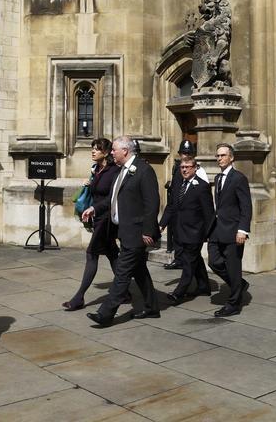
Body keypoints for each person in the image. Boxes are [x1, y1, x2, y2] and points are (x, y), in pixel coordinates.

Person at [87, 136, 160, 327]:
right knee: (139, 270)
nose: (112, 152)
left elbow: (152, 204)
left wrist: (148, 231)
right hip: (124, 230)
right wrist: (95, 208)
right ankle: (152, 307)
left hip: (136, 233)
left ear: (125, 151)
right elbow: (112, 199)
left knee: (122, 273)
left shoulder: (144, 171)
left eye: (114, 150)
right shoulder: (121, 171)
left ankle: (106, 313)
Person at [62, 138, 121, 311]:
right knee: (112, 253)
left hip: (107, 219)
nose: (93, 151)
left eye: (97, 149)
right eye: (92, 148)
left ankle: (79, 297)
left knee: (91, 254)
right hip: (98, 218)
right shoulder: (97, 170)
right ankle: (124, 291)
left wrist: (94, 208)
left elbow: (112, 198)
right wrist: (88, 184)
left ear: (106, 152)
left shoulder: (114, 172)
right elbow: (96, 192)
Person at [208, 143, 252, 317]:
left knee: (233, 267)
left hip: (234, 231)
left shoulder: (238, 178)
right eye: (218, 156)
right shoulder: (218, 178)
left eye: (223, 155)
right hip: (218, 230)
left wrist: (243, 230)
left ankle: (233, 304)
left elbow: (246, 206)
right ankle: (239, 284)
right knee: (214, 262)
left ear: (231, 157)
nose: (219, 158)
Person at [163, 156, 213, 303]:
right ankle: (204, 286)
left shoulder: (202, 186)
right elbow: (171, 206)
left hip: (194, 233)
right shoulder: (179, 185)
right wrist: (162, 224)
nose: (184, 170)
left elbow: (209, 213)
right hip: (180, 231)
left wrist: (207, 234)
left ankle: (179, 292)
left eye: (187, 167)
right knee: (194, 259)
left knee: (188, 263)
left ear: (195, 168)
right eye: (182, 167)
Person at [162, 140, 208, 270]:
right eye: (183, 153)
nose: (185, 155)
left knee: (191, 256)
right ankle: (179, 260)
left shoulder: (199, 170)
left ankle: (183, 286)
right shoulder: (178, 168)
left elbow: (203, 195)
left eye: (188, 153)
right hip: (178, 211)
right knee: (178, 240)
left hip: (191, 217)